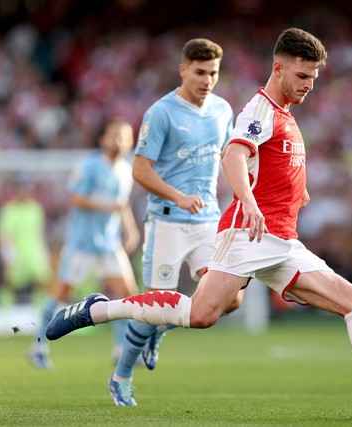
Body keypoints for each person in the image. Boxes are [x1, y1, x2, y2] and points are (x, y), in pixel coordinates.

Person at [46, 28, 352, 405]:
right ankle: (99, 309)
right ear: (278, 69)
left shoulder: (285, 116)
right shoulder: (259, 109)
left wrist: (297, 192)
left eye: (313, 79)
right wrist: (249, 201)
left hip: (282, 242)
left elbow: (271, 166)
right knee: (200, 315)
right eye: (301, 77)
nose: (309, 86)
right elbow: (234, 155)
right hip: (247, 235)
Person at [108, 37, 244, 406]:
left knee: (231, 300)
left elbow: (230, 158)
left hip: (208, 221)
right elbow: (140, 169)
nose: (207, 80)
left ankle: (162, 327)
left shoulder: (222, 109)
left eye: (213, 73)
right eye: (199, 72)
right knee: (151, 305)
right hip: (167, 222)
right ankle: (121, 377)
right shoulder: (161, 112)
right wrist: (178, 195)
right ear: (183, 70)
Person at [28, 118, 141, 369]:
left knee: (127, 296)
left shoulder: (125, 170)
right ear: (102, 140)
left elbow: (123, 204)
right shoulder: (89, 166)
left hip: (110, 244)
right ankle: (37, 346)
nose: (120, 141)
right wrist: (111, 207)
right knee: (60, 294)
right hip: (82, 243)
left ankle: (121, 350)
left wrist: (130, 229)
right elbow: (77, 199)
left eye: (125, 136)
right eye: (115, 135)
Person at [0, 181, 52, 305]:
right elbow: (4, 236)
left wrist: (43, 253)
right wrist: (7, 256)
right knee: (9, 284)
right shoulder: (9, 211)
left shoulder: (36, 209)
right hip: (16, 255)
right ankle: (5, 317)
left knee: (40, 283)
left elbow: (39, 234)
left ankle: (40, 315)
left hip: (33, 254)